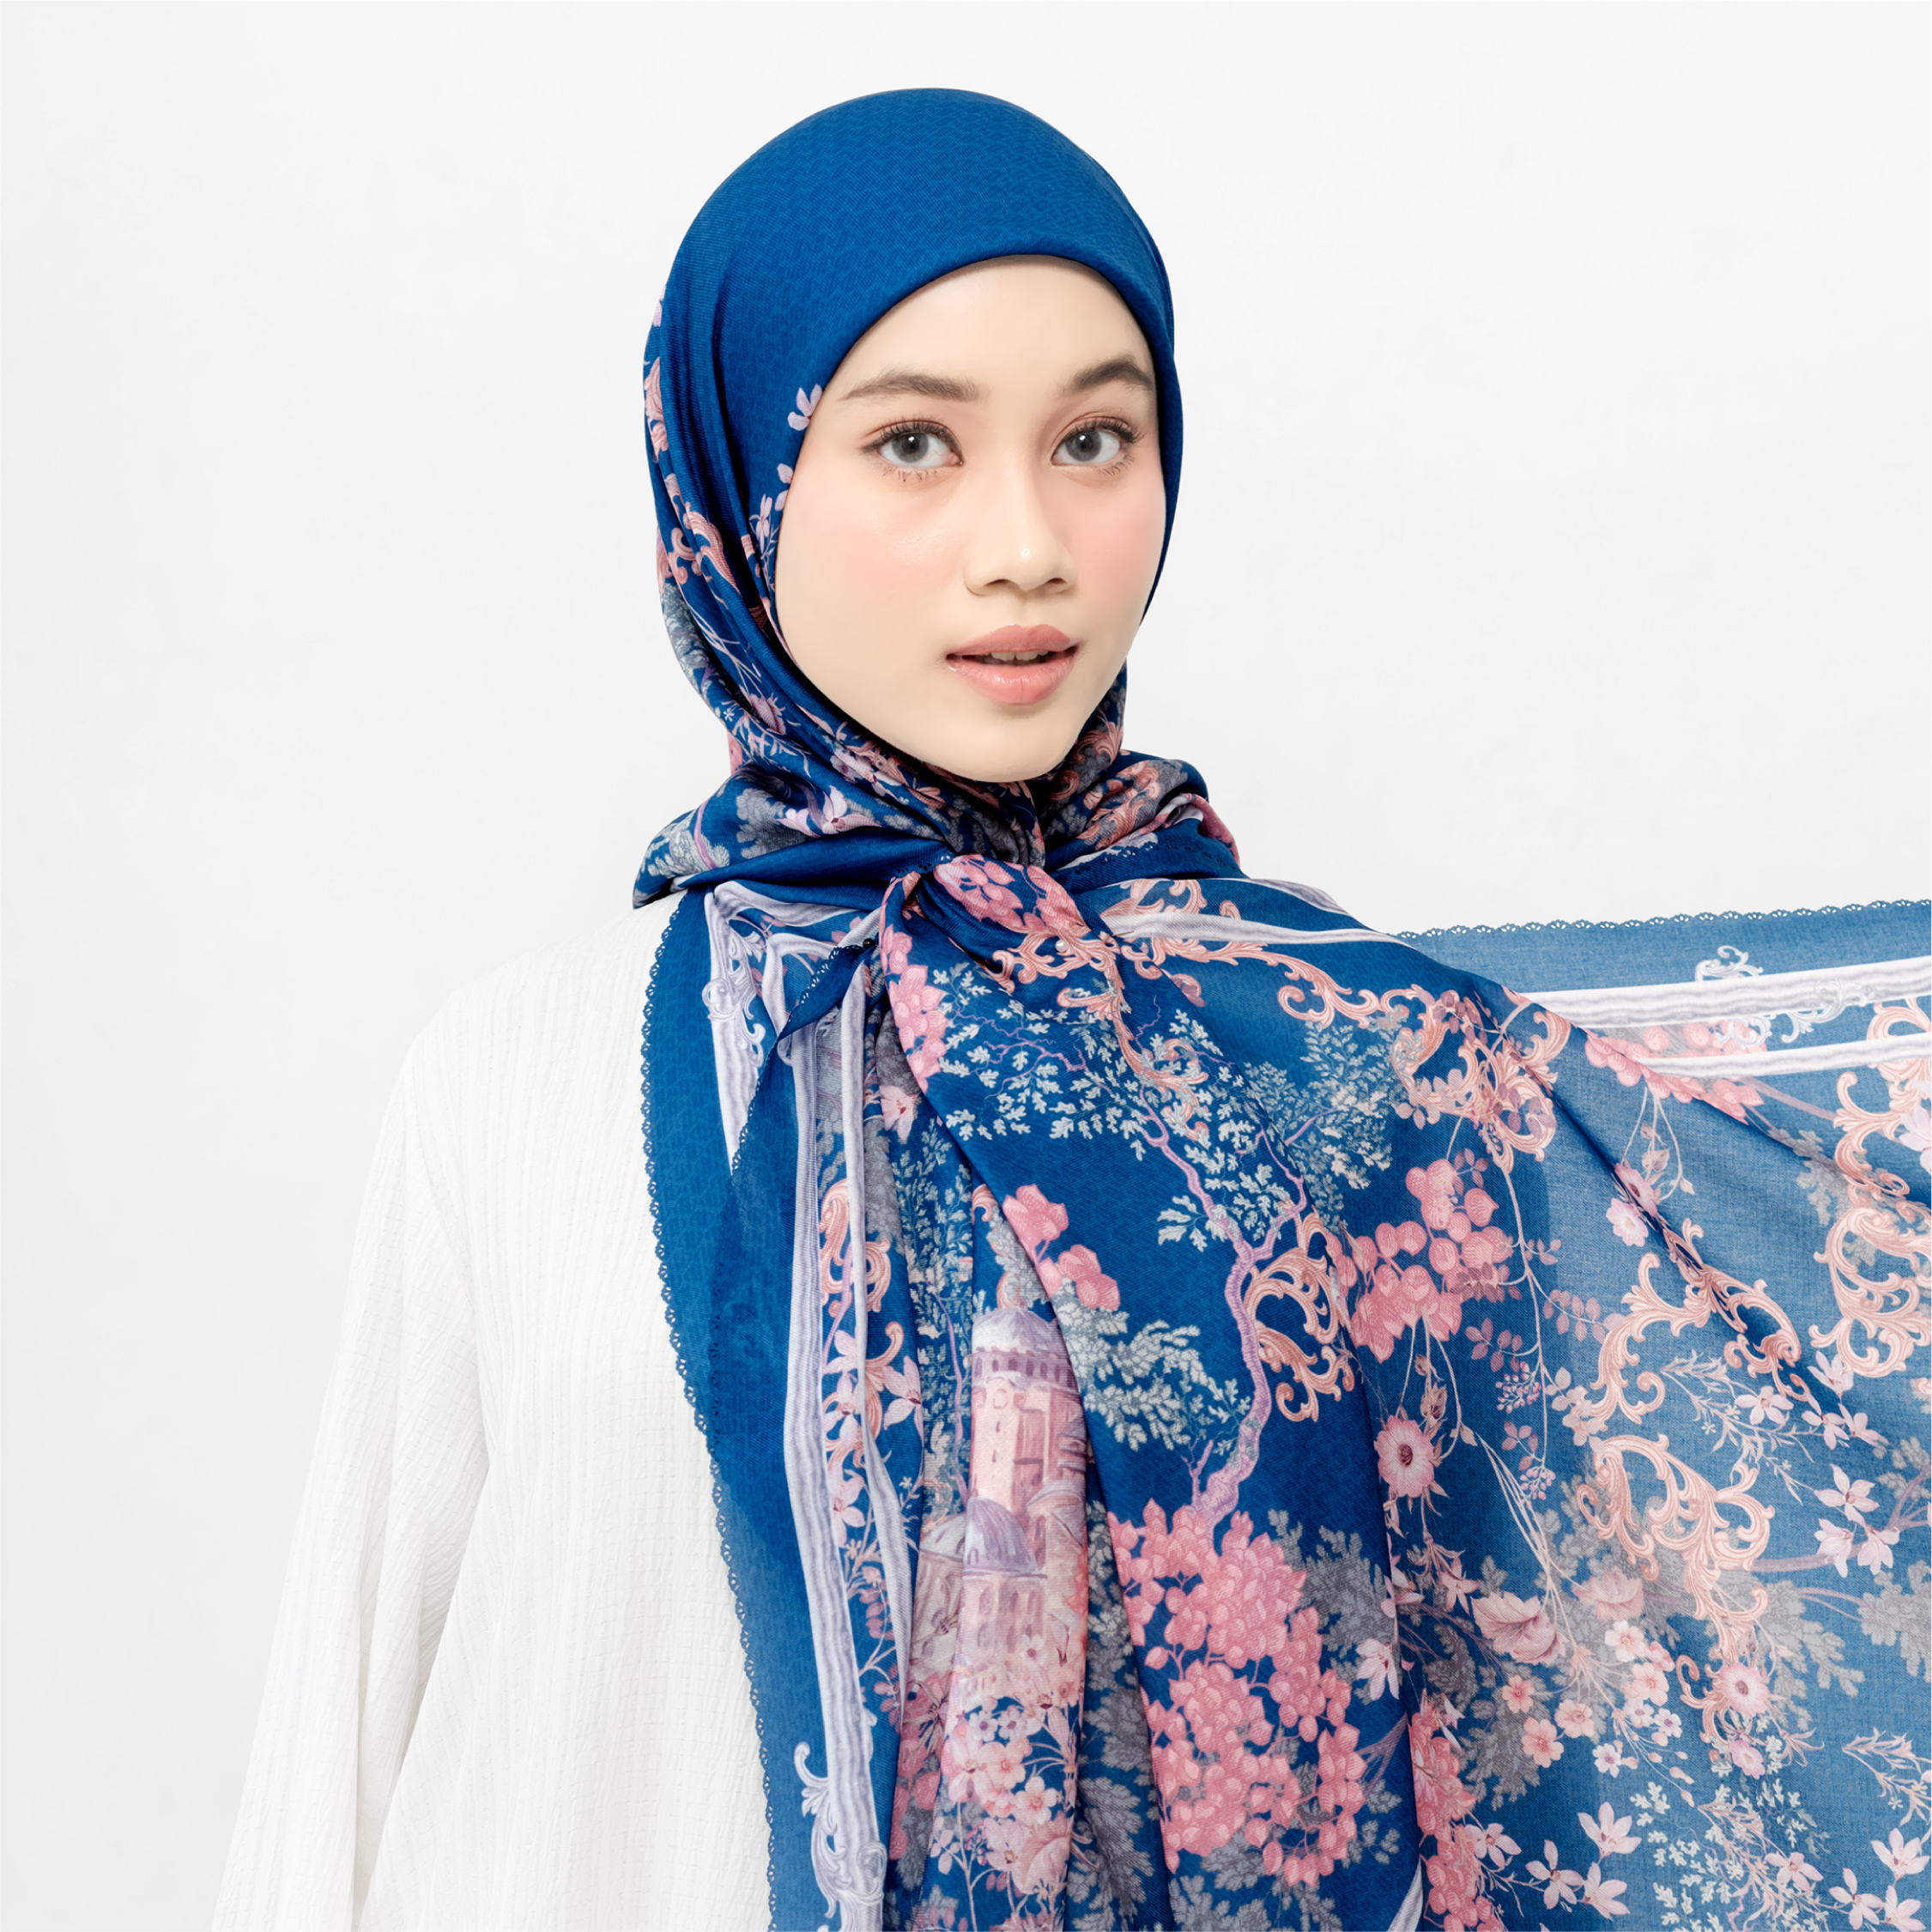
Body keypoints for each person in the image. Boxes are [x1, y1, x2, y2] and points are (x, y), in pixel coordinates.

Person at [215, 89, 1929, 1932]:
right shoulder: (514, 1074)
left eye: (1094, 439)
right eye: (913, 445)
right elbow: (342, 1738)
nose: (1026, 543)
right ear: (736, 480)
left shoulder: (1330, 1062)